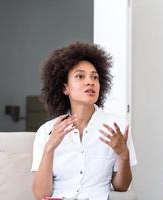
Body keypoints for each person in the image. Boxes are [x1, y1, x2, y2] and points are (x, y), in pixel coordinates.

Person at [31, 42, 137, 200]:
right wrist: (49, 148)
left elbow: (121, 187)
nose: (90, 82)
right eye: (80, 76)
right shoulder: (47, 131)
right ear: (65, 88)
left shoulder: (117, 128)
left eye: (95, 77)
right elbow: (41, 194)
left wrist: (123, 155)